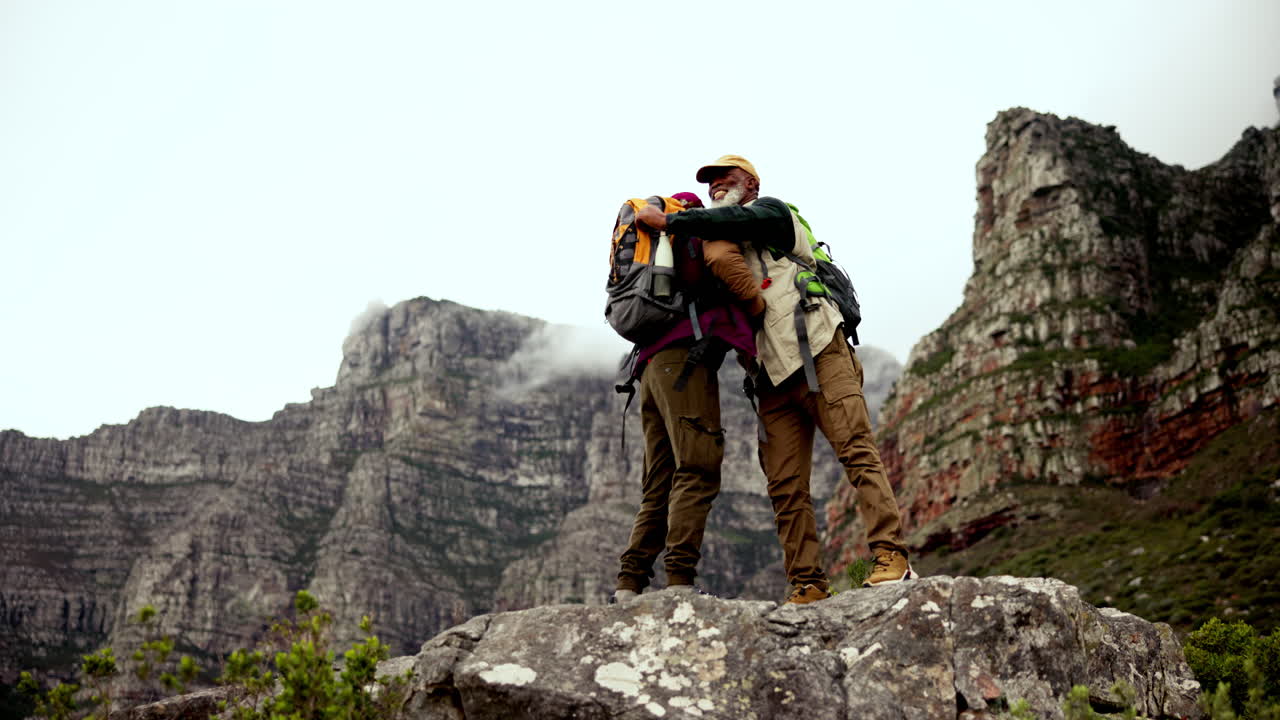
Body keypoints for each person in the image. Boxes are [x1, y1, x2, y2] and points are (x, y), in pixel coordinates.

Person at [635, 156, 914, 605]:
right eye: (710, 185)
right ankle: (806, 583)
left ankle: (891, 557)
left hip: (821, 351)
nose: (717, 188)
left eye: (726, 180)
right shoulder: (719, 252)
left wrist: (669, 220)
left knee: (856, 452)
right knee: (784, 484)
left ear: (751, 184)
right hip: (770, 376)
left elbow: (732, 218)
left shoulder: (774, 214)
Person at [611, 191, 763, 604]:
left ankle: (629, 584)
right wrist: (755, 358)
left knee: (658, 482)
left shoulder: (659, 264)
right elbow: (729, 316)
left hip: (647, 370)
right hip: (683, 366)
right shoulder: (697, 249)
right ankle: (679, 580)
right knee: (699, 465)